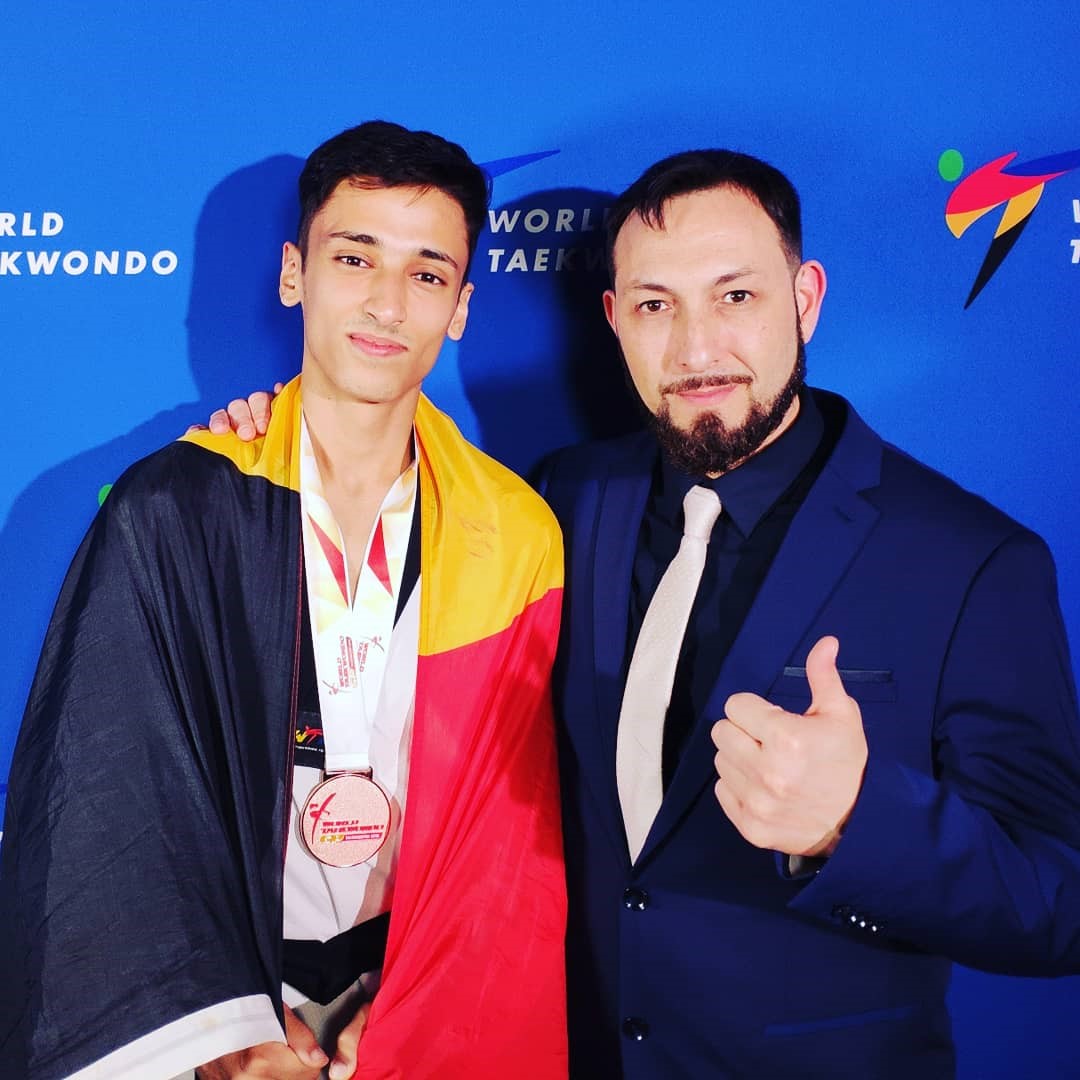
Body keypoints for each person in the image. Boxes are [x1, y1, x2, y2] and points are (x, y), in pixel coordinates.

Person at [206, 147, 1080, 1078]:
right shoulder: (562, 502)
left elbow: (1059, 902)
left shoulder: (968, 559)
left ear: (805, 299)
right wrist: (281, 437)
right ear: (615, 320)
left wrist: (855, 822)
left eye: (735, 296)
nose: (696, 349)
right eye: (656, 305)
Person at [0, 120, 567, 1080]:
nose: (387, 303)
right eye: (355, 257)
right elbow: (112, 794)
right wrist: (224, 1032)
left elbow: (513, 827)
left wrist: (421, 1004)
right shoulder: (178, 505)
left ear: (462, 307)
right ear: (294, 274)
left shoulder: (516, 532)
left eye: (428, 273)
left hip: (414, 980)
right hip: (214, 1007)